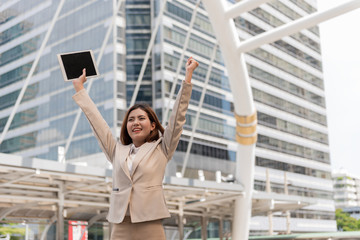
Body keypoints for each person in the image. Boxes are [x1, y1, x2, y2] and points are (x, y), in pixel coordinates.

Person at [72, 57, 199, 240]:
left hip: (150, 221)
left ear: (153, 125)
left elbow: (178, 117)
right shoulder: (117, 151)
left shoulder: (162, 148)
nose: (135, 122)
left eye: (141, 118)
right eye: (131, 119)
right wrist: (80, 89)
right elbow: (97, 123)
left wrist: (188, 78)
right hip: (121, 222)